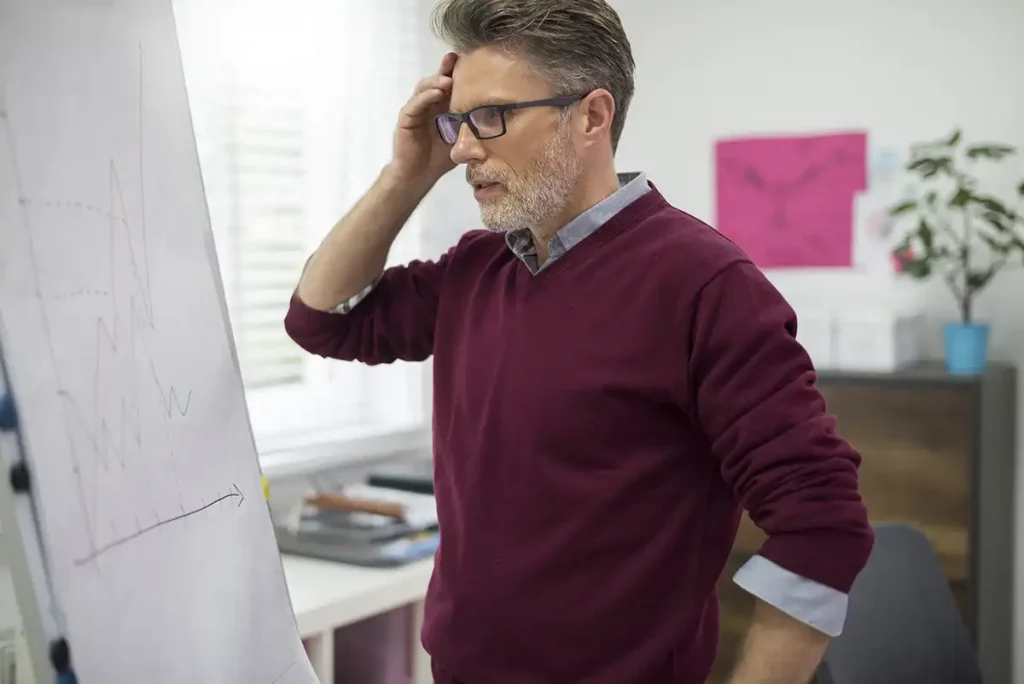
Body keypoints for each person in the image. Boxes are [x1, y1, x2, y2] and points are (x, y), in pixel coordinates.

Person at [284, 1, 873, 682]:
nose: (466, 148)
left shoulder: (704, 283)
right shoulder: (478, 268)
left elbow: (823, 526)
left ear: (592, 116)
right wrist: (406, 175)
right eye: (458, 121)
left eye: (493, 116)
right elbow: (322, 320)